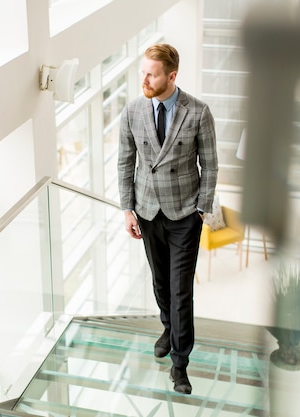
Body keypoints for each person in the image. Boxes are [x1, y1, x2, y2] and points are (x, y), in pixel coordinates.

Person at [117, 43, 219, 394]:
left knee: (180, 291)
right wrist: (127, 209)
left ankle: (180, 364)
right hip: (146, 212)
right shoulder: (132, 112)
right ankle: (167, 327)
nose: (144, 79)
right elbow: (124, 162)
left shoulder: (198, 112)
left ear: (171, 76)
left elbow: (211, 163)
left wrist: (202, 209)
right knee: (160, 284)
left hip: (183, 214)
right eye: (142, 72)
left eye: (151, 74)